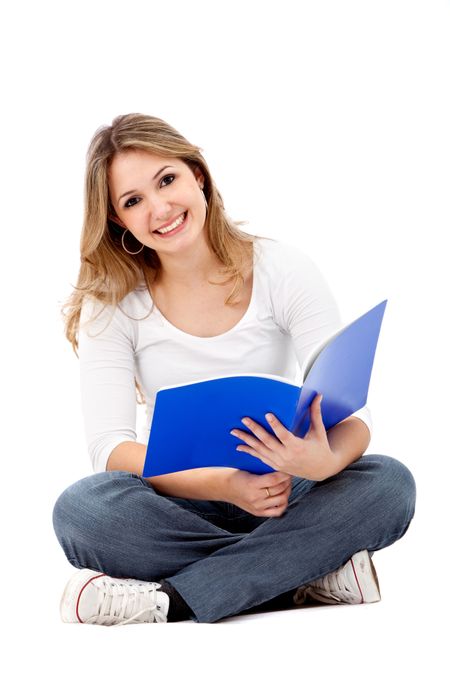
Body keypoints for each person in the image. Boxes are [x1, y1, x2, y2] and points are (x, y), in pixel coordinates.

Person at [52, 113, 416, 626]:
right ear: (118, 221)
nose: (160, 208)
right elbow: (110, 448)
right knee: (84, 510)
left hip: (289, 491)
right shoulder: (112, 304)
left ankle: (171, 601)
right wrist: (223, 484)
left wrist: (322, 463)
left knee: (390, 484)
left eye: (167, 180)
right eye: (133, 201)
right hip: (181, 500)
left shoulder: (281, 267)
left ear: (197, 175)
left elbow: (356, 415)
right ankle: (307, 574)